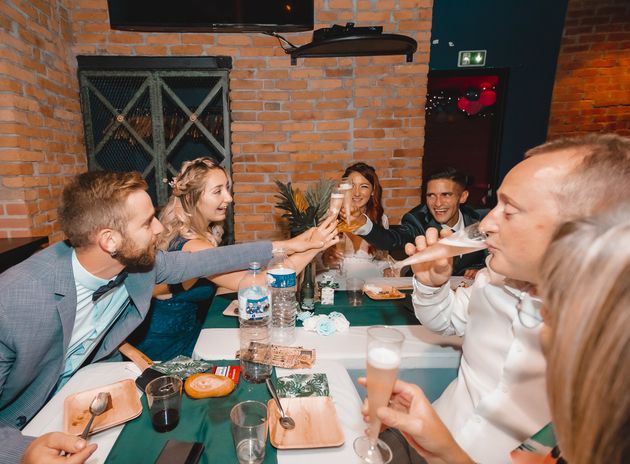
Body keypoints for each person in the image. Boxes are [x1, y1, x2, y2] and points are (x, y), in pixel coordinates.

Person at [0, 170, 337, 464]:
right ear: (109, 240)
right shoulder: (14, 298)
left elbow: (210, 261)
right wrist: (21, 453)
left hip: (92, 401)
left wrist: (289, 245)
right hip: (22, 429)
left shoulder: (138, 264)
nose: (160, 226)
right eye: (147, 222)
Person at [376, 134, 630, 463]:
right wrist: (432, 286)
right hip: (427, 436)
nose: (485, 224)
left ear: (579, 229)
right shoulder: (491, 278)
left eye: (510, 211)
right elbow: (446, 321)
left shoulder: (610, 355)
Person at [130, 157, 336, 360]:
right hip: (168, 352)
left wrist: (302, 245)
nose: (228, 198)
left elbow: (236, 274)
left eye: (227, 189)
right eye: (218, 191)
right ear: (192, 198)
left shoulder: (196, 236)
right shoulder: (192, 245)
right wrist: (313, 248)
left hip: (190, 336)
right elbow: (258, 283)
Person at [350, 167, 486, 277]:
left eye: (446, 195)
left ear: (463, 197)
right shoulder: (417, 220)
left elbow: (493, 255)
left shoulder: (481, 220)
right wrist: (362, 223)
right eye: (431, 195)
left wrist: (481, 269)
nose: (438, 203)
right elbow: (391, 239)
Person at [320, 162, 391, 283]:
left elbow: (381, 257)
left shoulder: (380, 218)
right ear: (343, 189)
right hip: (334, 275)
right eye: (351, 186)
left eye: (364, 186)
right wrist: (325, 257)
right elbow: (314, 259)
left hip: (367, 276)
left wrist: (386, 268)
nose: (357, 193)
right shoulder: (330, 216)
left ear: (373, 191)